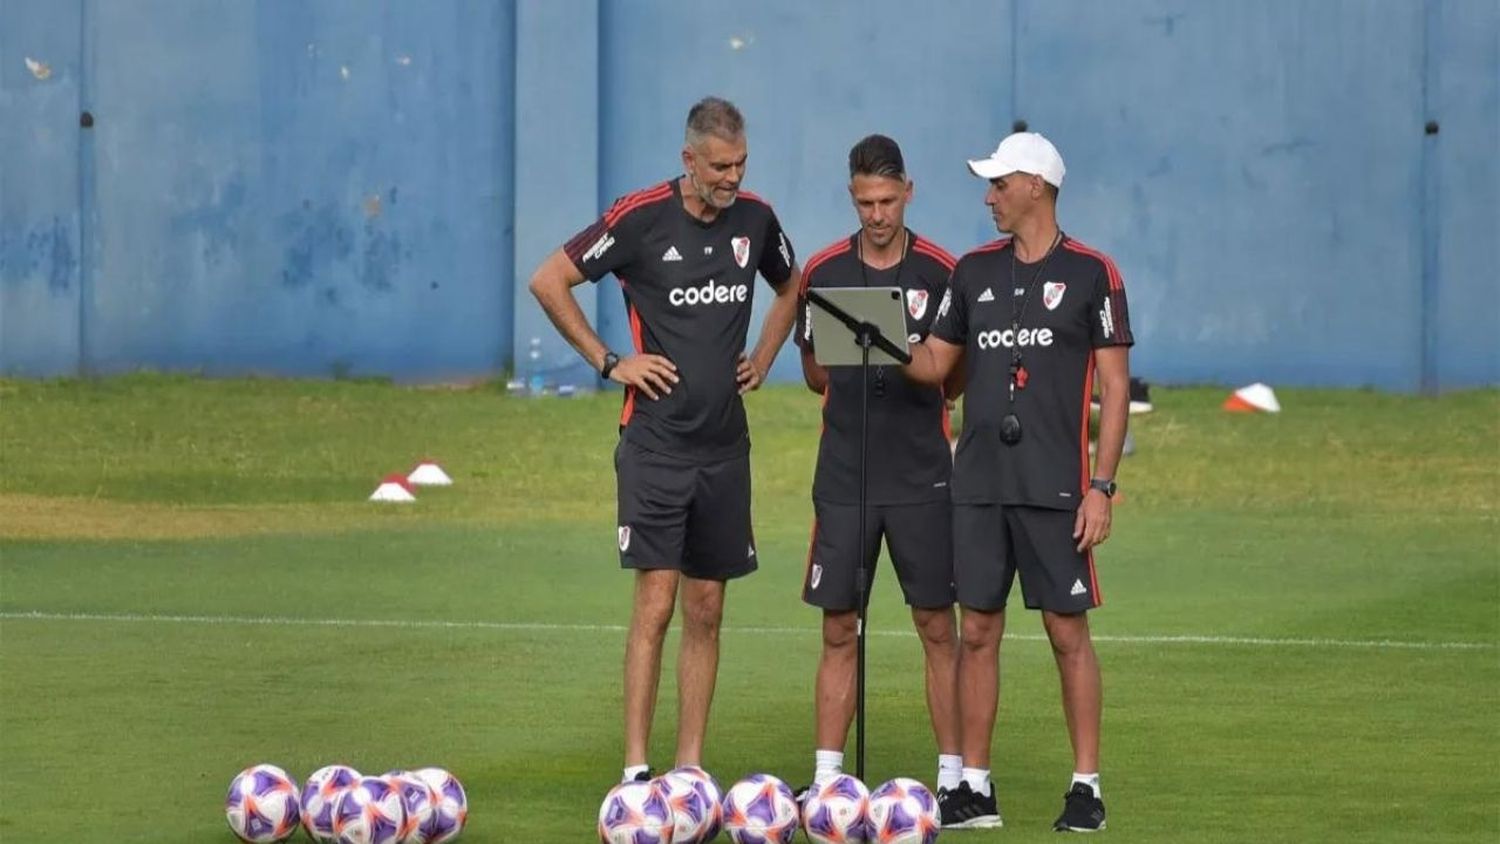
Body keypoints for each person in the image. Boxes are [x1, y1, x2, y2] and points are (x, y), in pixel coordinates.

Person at [528, 96, 801, 783]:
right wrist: (609, 361)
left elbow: (793, 286)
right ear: (689, 159)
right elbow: (548, 279)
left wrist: (766, 356)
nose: (731, 177)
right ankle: (635, 772)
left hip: (724, 450)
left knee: (707, 607)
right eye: (718, 166)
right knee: (656, 601)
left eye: (739, 164)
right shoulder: (639, 218)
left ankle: (689, 771)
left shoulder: (758, 220)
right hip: (655, 445)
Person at [904, 132, 1133, 832]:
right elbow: (937, 363)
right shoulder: (972, 272)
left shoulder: (1095, 272)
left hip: (1057, 490)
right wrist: (865, 333)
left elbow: (1116, 390)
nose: (989, 196)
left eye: (1000, 184)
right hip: (976, 485)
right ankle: (974, 786)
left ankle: (1086, 786)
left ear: (1036, 184)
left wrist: (1103, 486)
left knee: (1068, 633)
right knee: (977, 631)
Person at [791, 135, 963, 802]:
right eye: (865, 202)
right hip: (843, 477)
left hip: (923, 477)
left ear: (909, 192)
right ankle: (827, 780)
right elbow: (812, 373)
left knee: (936, 626)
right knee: (839, 627)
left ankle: (953, 780)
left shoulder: (943, 274)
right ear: (852, 196)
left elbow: (951, 380)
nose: (877, 214)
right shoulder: (824, 271)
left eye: (888, 201)